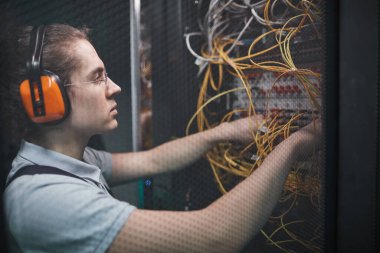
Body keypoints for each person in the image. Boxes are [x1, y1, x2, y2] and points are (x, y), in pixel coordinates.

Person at [1, 24, 321, 253]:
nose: (115, 88)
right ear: (44, 99)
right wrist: (294, 144)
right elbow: (215, 236)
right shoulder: (43, 198)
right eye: (97, 77)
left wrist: (224, 132)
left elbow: (155, 160)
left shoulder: (69, 160)